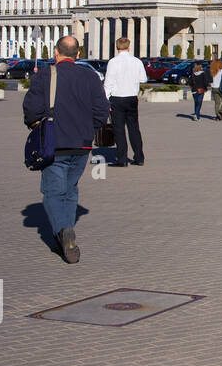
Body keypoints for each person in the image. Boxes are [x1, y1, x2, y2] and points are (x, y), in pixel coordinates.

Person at [23, 36, 109, 264]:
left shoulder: (44, 75)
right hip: (82, 145)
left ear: (56, 53)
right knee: (70, 190)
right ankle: (64, 236)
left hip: (54, 143)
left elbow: (30, 111)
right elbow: (102, 110)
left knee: (53, 192)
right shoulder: (90, 76)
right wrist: (88, 129)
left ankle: (64, 232)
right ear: (78, 54)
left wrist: (37, 126)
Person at [104, 36, 147, 166]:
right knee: (134, 128)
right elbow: (143, 79)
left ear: (117, 47)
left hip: (117, 98)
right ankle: (139, 157)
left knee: (119, 129)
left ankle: (122, 159)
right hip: (132, 97)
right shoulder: (136, 61)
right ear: (129, 47)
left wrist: (105, 100)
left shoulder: (113, 62)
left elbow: (108, 83)